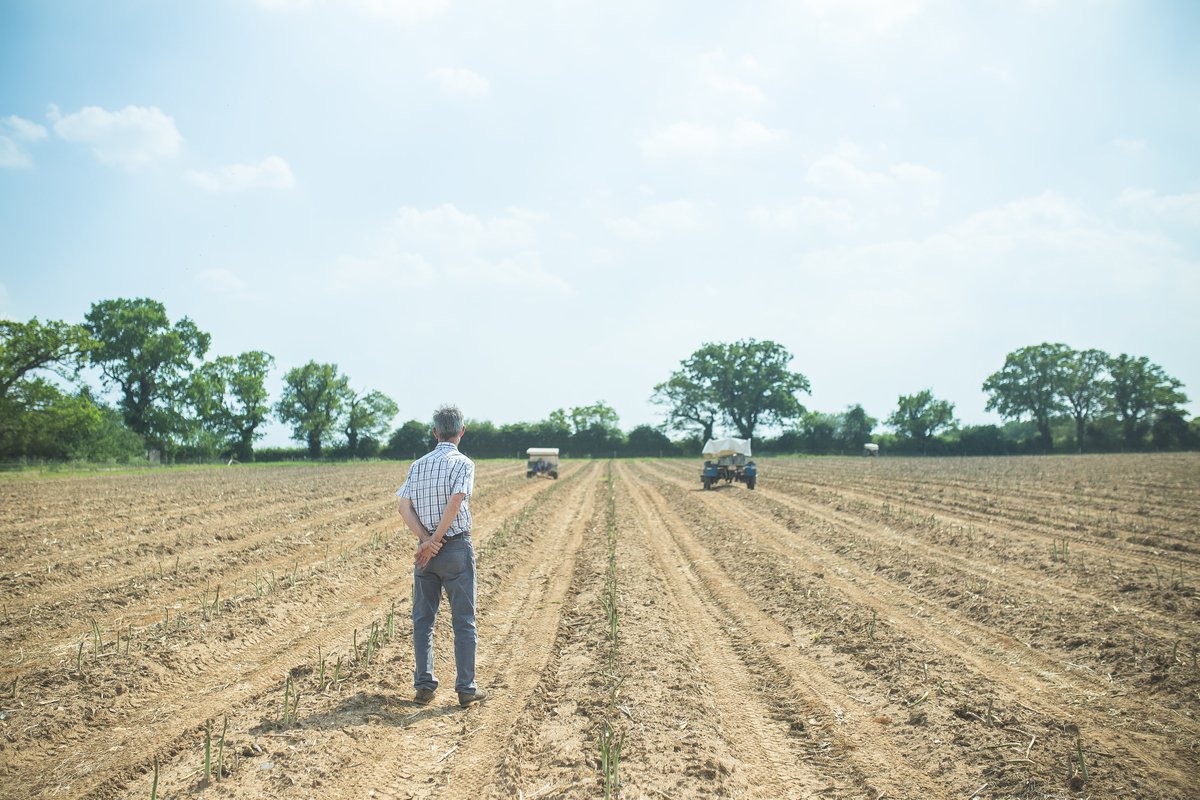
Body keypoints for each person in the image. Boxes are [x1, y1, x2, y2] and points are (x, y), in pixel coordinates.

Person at [395, 404, 487, 708]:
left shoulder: (417, 465)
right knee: (463, 620)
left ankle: (424, 685)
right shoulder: (464, 463)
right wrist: (436, 539)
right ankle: (465, 688)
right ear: (462, 432)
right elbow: (456, 500)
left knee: (423, 620)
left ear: (435, 432)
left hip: (426, 555)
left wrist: (425, 541)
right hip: (456, 548)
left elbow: (403, 506)